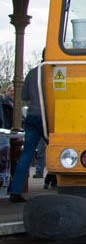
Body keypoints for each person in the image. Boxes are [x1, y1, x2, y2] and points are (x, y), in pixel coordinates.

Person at [8, 62, 45, 203]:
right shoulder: (59, 71)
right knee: (61, 152)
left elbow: (24, 95)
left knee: (26, 154)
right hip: (51, 117)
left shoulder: (32, 72)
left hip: (33, 116)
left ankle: (15, 191)